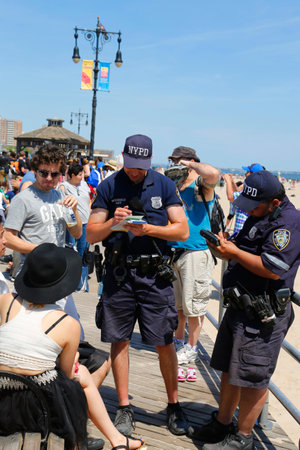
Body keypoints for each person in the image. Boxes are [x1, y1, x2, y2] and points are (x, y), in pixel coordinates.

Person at [86, 134, 190, 437]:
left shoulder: (163, 184)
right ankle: (123, 406)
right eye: (131, 165)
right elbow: (92, 234)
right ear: (123, 157)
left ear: (150, 161)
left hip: (154, 276)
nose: (135, 172)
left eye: (141, 167)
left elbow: (181, 230)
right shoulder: (108, 186)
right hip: (119, 275)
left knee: (164, 341)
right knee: (119, 340)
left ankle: (174, 405)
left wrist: (150, 230)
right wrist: (114, 224)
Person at [189, 170, 299, 450]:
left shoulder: (289, 223)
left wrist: (233, 253)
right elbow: (245, 243)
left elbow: (273, 269)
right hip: (240, 307)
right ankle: (222, 424)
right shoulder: (259, 213)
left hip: (263, 314)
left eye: (255, 206)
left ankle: (244, 437)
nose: (250, 211)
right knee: (230, 369)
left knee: (252, 378)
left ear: (275, 203)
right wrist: (228, 244)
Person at [0, 243, 146, 450]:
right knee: (82, 376)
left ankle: (110, 439)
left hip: (3, 391)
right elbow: (67, 374)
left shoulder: (5, 302)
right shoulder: (66, 323)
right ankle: (106, 439)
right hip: (36, 403)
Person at [3, 144, 84, 337]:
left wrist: (74, 211)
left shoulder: (61, 196)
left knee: (74, 332)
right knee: (35, 332)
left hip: (58, 275)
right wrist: (40, 250)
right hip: (32, 275)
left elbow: (77, 234)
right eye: (43, 173)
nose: (49, 179)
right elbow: (7, 238)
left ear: (61, 175)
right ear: (35, 171)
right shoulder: (23, 199)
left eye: (54, 175)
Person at [167, 146, 220, 368]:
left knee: (195, 306)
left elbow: (213, 174)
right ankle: (179, 340)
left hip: (196, 252)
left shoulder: (201, 187)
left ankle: (192, 347)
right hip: (175, 252)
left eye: (179, 162)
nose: (175, 166)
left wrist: (190, 166)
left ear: (190, 162)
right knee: (179, 306)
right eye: (173, 162)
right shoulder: (174, 187)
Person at [59, 163, 91, 292]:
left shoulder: (84, 185)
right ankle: (69, 282)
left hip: (85, 223)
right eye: (80, 174)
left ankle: (81, 284)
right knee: (72, 252)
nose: (83, 176)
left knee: (83, 252)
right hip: (72, 224)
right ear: (72, 175)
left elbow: (89, 200)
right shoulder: (64, 187)